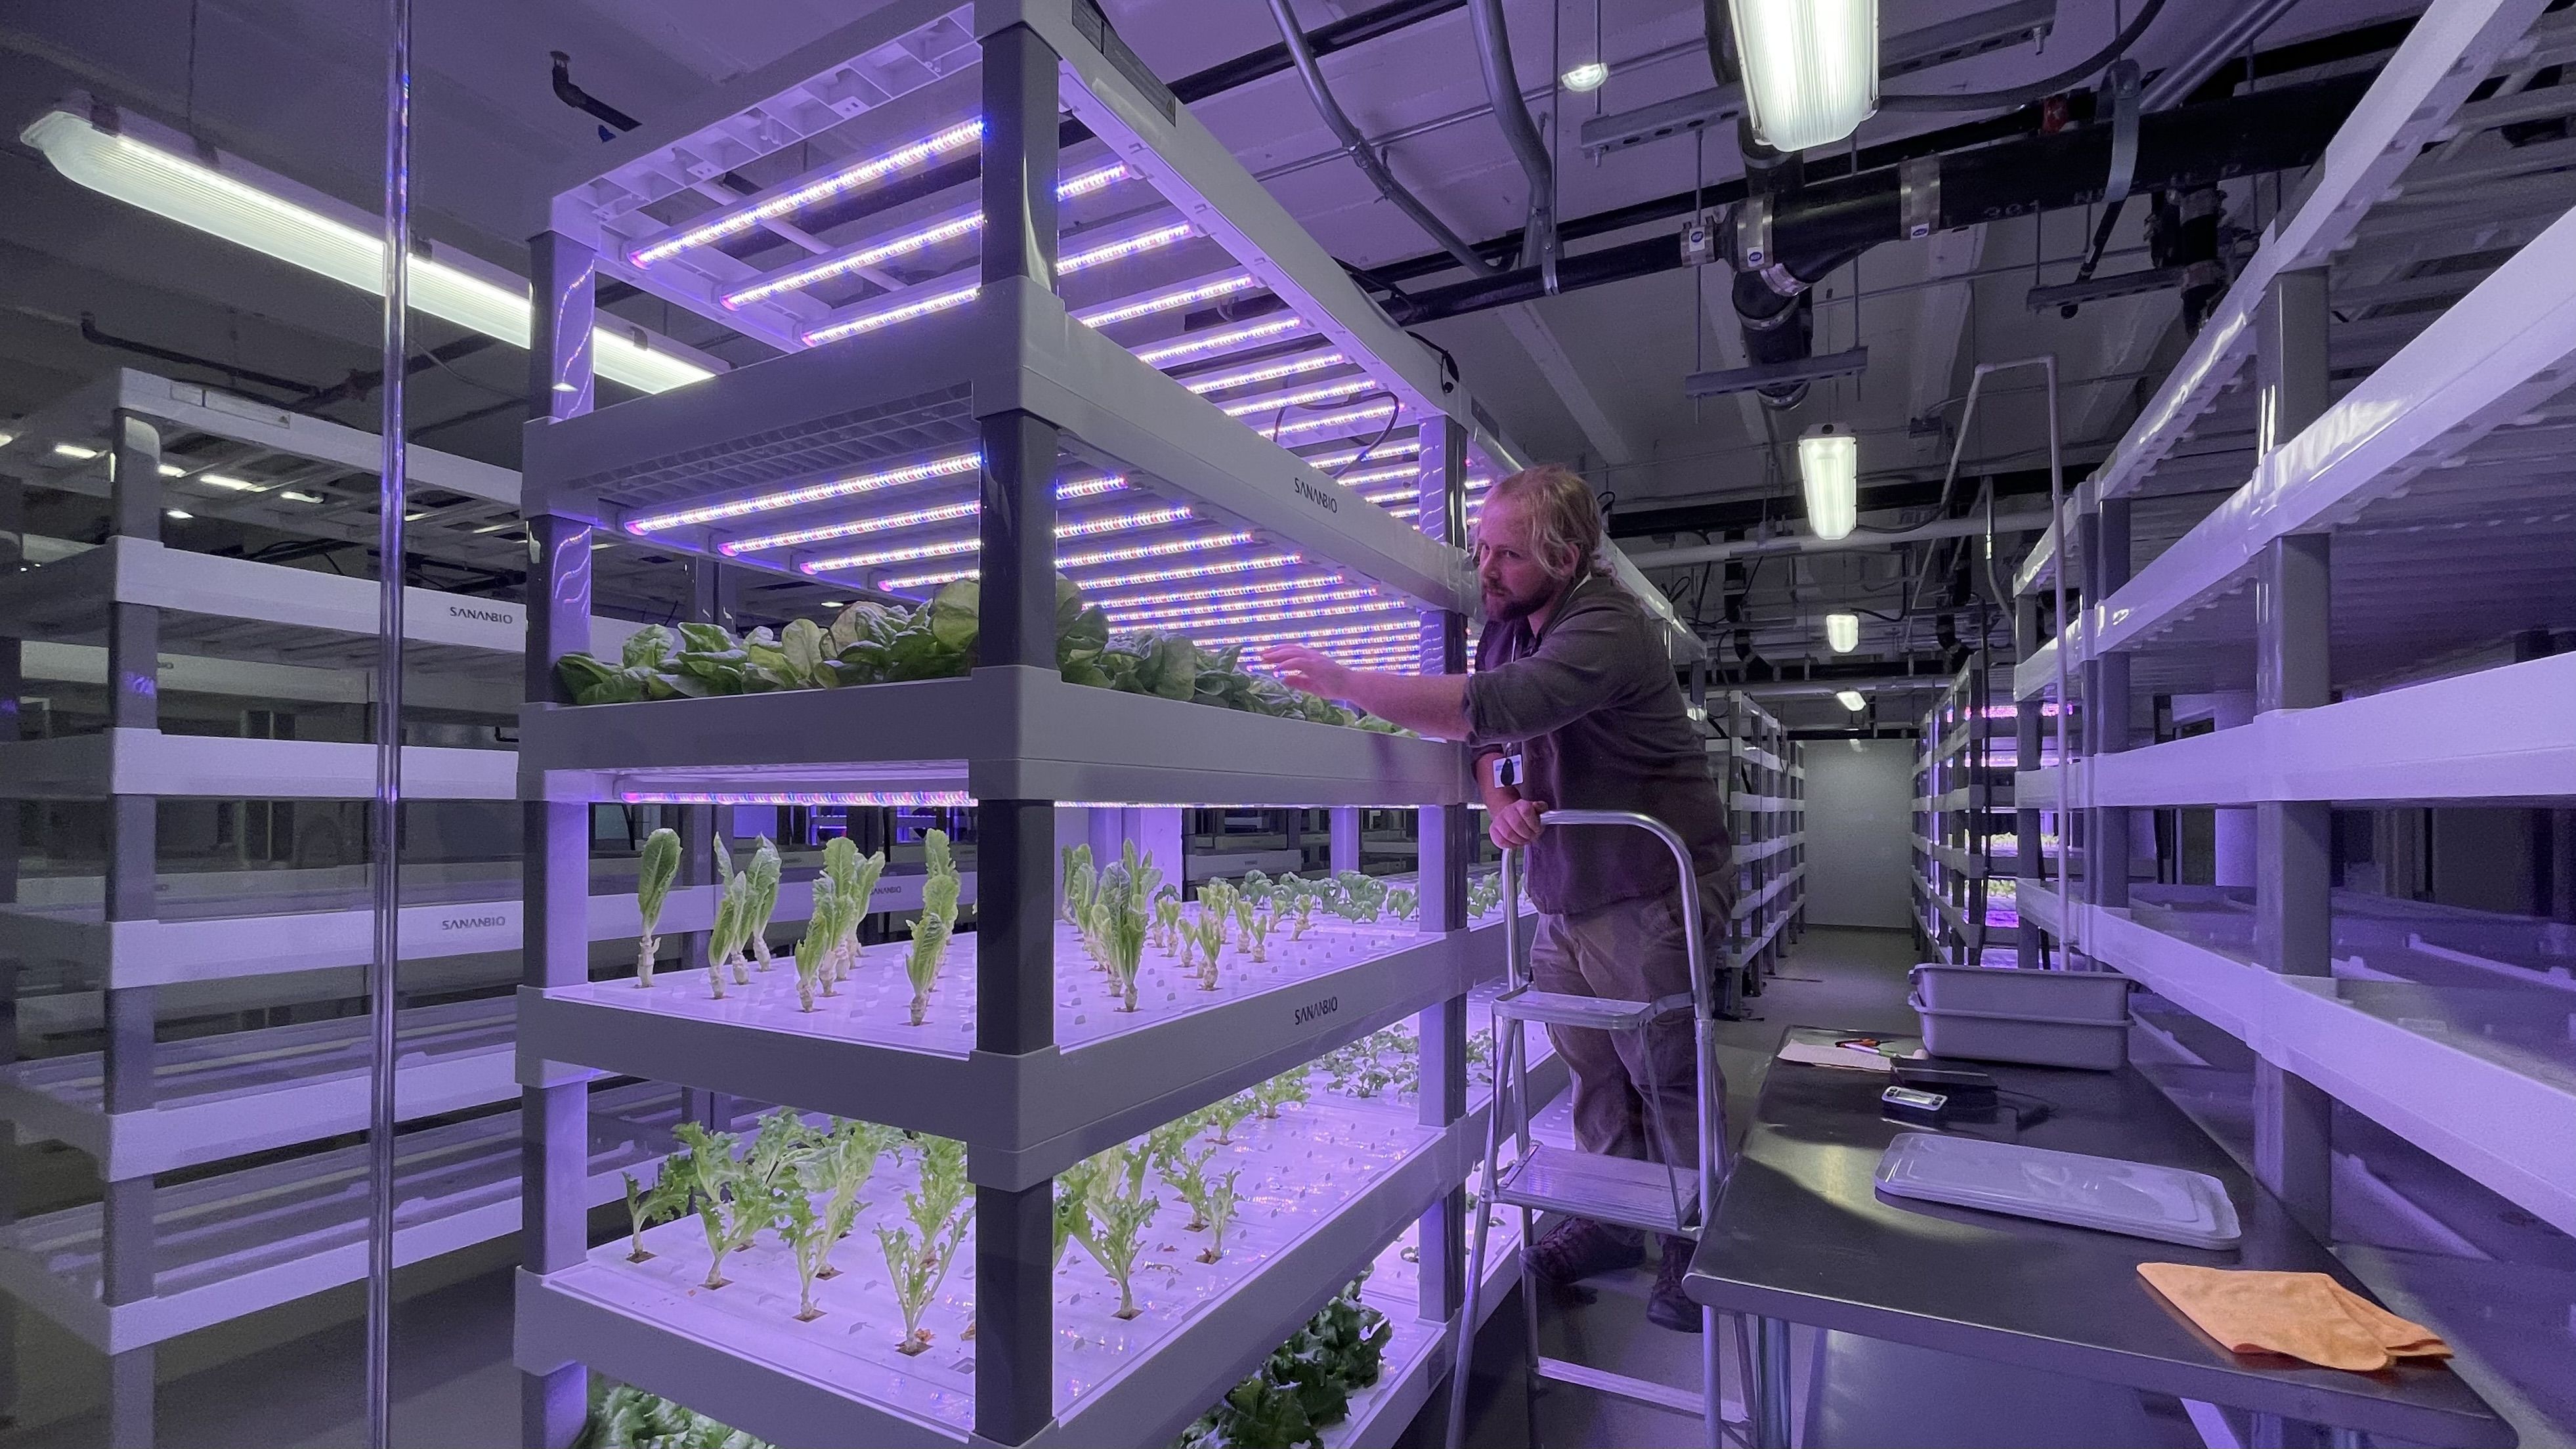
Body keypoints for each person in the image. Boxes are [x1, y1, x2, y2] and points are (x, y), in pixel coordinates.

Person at [1262, 462, 1733, 1333]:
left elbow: (1495, 707)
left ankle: (1695, 1243)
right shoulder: (1511, 627)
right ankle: (1609, 1224)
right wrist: (1501, 796)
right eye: (1482, 548)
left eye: (1508, 555)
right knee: (1595, 1072)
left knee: (1667, 1072)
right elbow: (1487, 743)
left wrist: (1349, 683)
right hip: (1567, 891)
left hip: (1647, 890)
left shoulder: (1608, 626)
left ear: (1567, 557)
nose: (1486, 569)